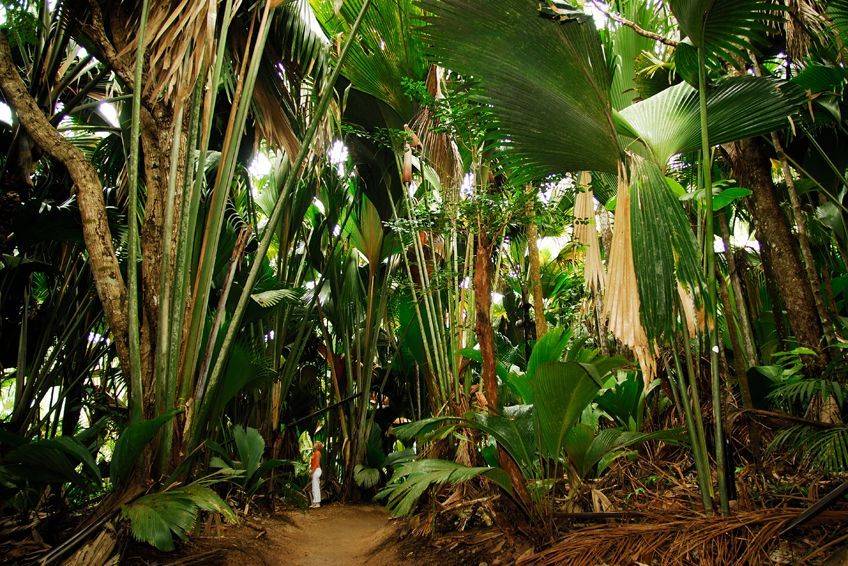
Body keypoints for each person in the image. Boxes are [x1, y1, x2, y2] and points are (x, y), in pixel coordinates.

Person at [309, 441, 323, 508]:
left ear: (317, 446)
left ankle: (317, 503)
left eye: (315, 444)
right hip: (315, 470)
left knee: (316, 487)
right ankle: (315, 502)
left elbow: (317, 464)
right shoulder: (315, 453)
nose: (313, 445)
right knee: (314, 487)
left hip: (316, 470)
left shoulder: (317, 453)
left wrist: (312, 472)